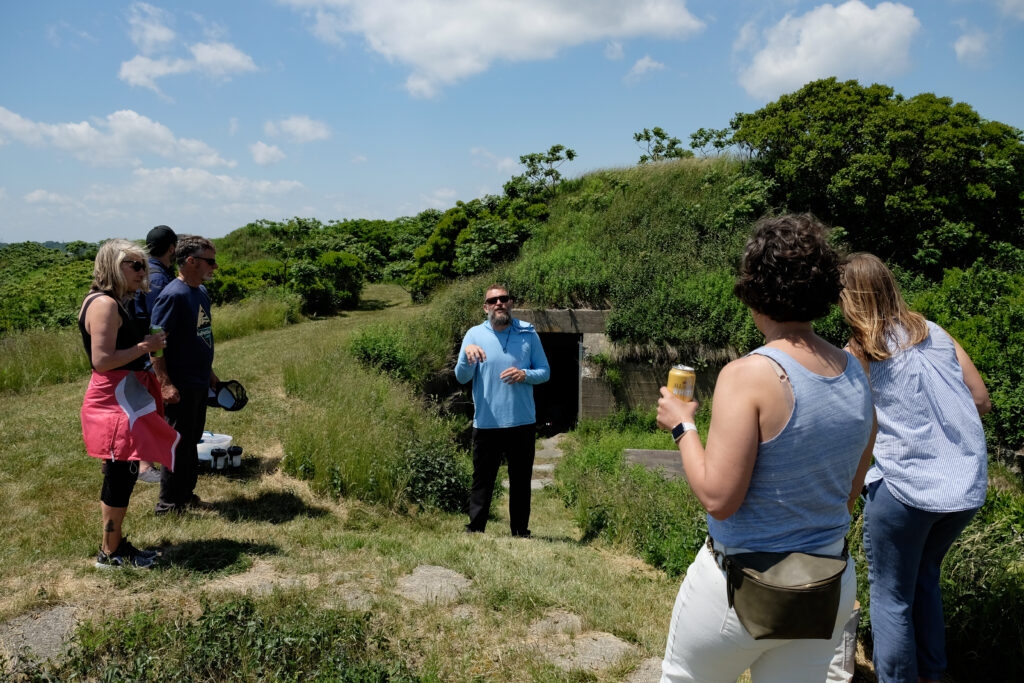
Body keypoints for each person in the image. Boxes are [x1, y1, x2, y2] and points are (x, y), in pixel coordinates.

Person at [655, 214, 876, 682]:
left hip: (741, 586)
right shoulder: (855, 371)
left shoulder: (748, 374)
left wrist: (682, 426)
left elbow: (719, 497)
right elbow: (851, 490)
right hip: (824, 585)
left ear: (755, 291)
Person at [839, 252, 990, 683]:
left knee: (892, 597)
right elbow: (981, 400)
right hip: (963, 489)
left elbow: (852, 427)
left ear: (850, 299)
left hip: (904, 491)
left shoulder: (859, 352)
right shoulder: (935, 332)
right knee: (925, 576)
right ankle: (932, 675)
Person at [78, 239, 178, 568]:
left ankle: (115, 544)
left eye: (143, 265)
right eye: (134, 265)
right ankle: (109, 552)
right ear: (112, 265)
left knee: (125, 471)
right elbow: (102, 360)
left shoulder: (115, 301)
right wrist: (145, 346)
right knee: (120, 474)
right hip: (114, 398)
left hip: (124, 394)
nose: (142, 271)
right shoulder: (104, 304)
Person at [455, 284, 550, 537]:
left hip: (522, 421)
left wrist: (525, 374)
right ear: (485, 307)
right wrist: (465, 356)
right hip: (487, 422)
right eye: (493, 300)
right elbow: (462, 377)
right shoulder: (474, 335)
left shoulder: (528, 333)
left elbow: (545, 372)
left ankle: (520, 531)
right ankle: (476, 528)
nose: (499, 303)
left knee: (521, 480)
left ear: (511, 303)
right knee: (482, 479)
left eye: (503, 298)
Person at [151, 235, 220, 515]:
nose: (215, 267)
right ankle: (168, 505)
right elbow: (156, 342)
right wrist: (164, 383)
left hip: (199, 381)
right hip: (180, 384)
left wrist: (210, 372)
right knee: (177, 444)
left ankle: (186, 495)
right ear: (191, 261)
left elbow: (201, 335)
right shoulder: (173, 295)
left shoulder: (200, 292)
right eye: (210, 261)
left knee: (191, 440)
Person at [135, 224, 177, 484]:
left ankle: (137, 461)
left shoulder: (145, 272)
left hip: (141, 350)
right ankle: (145, 465)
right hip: (151, 353)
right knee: (150, 407)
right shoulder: (158, 279)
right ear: (171, 248)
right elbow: (158, 324)